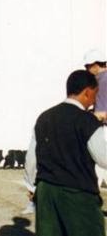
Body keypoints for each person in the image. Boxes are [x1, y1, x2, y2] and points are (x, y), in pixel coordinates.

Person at [24, 70, 106, 236]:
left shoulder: (44, 117)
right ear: (88, 92)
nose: (94, 100)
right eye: (95, 94)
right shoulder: (87, 121)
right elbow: (104, 158)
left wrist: (32, 186)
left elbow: (31, 159)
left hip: (47, 192)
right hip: (77, 194)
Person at [83, 49, 107, 188]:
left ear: (95, 65)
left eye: (87, 66)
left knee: (98, 163)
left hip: (103, 127)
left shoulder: (101, 81)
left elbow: (102, 110)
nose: (86, 70)